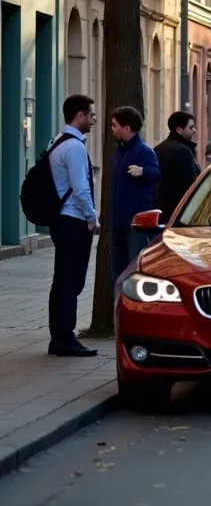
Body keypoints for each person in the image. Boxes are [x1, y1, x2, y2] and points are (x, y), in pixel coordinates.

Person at [47, 95, 100, 357]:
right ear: (79, 115)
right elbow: (80, 189)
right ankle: (66, 339)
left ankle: (57, 338)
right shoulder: (76, 148)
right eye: (91, 115)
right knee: (71, 283)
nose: (93, 119)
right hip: (74, 221)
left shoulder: (57, 141)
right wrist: (93, 218)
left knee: (61, 281)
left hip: (61, 220)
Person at [109, 107, 161, 280]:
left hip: (135, 225)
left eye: (115, 125)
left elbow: (156, 174)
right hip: (118, 222)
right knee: (117, 271)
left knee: (134, 270)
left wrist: (143, 171)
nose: (112, 129)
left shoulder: (143, 151)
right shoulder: (120, 151)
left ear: (127, 128)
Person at [154, 111, 201, 218]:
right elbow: (190, 182)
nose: (194, 130)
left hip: (160, 209)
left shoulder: (158, 148)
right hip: (179, 211)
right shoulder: (183, 151)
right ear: (179, 130)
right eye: (191, 127)